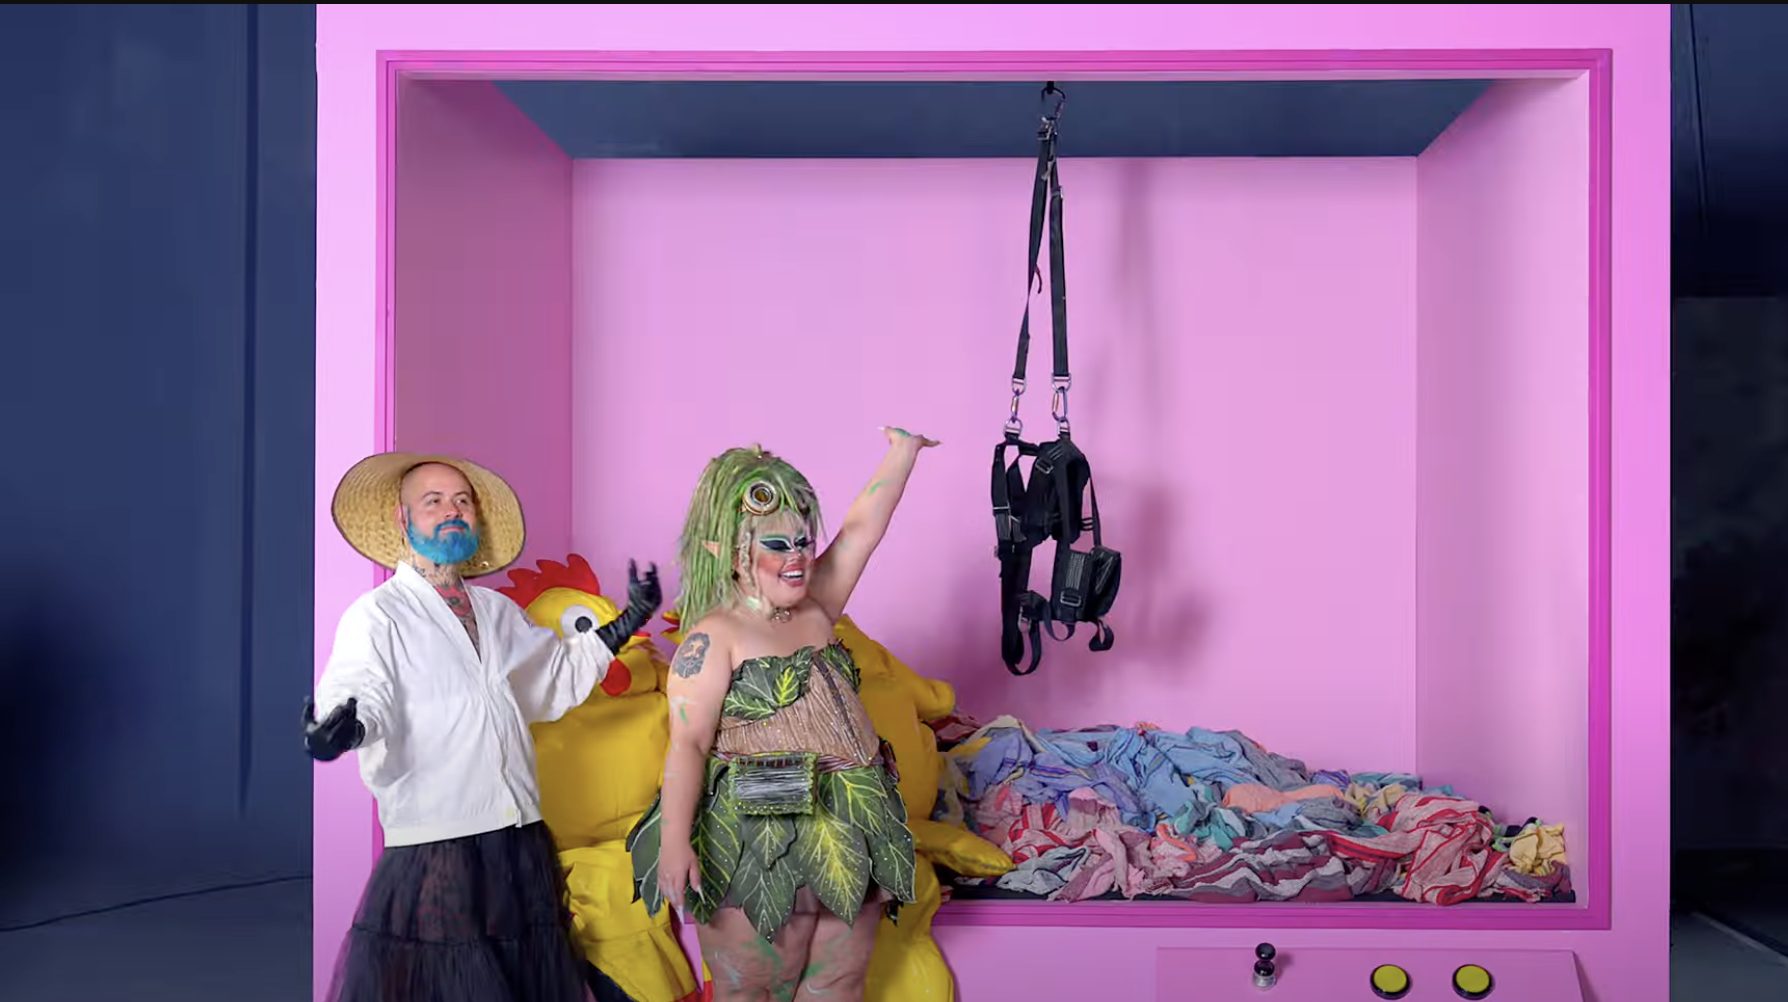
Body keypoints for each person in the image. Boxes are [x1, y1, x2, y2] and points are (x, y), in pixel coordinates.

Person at [306, 452, 662, 1002]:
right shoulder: (377, 615)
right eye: (433, 501)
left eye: (462, 501)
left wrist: (627, 622)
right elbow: (360, 691)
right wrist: (345, 729)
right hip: (436, 844)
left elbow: (551, 679)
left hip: (518, 839)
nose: (452, 510)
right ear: (403, 519)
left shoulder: (498, 612)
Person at [628, 428, 939, 1002]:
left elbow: (861, 531)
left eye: (802, 540)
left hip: (853, 820)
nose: (797, 556)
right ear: (726, 550)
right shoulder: (714, 636)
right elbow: (688, 744)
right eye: (776, 544)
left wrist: (902, 453)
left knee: (839, 982)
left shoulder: (817, 605)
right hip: (758, 826)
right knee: (754, 988)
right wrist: (674, 840)